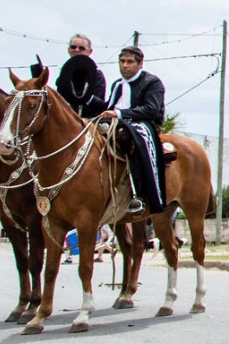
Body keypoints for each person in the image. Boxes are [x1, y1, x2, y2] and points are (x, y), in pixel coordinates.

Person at [100, 46, 166, 216]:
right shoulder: (117, 84)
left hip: (143, 124)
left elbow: (151, 110)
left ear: (140, 64)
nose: (125, 66)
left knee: (131, 138)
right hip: (117, 122)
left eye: (129, 62)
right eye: (122, 61)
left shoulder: (152, 82)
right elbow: (109, 105)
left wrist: (119, 114)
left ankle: (140, 194)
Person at [55, 34, 108, 117]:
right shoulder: (64, 72)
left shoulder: (97, 74)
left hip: (88, 120)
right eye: (73, 47)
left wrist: (83, 96)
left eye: (81, 48)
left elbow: (100, 105)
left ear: (90, 51)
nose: (76, 50)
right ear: (68, 50)